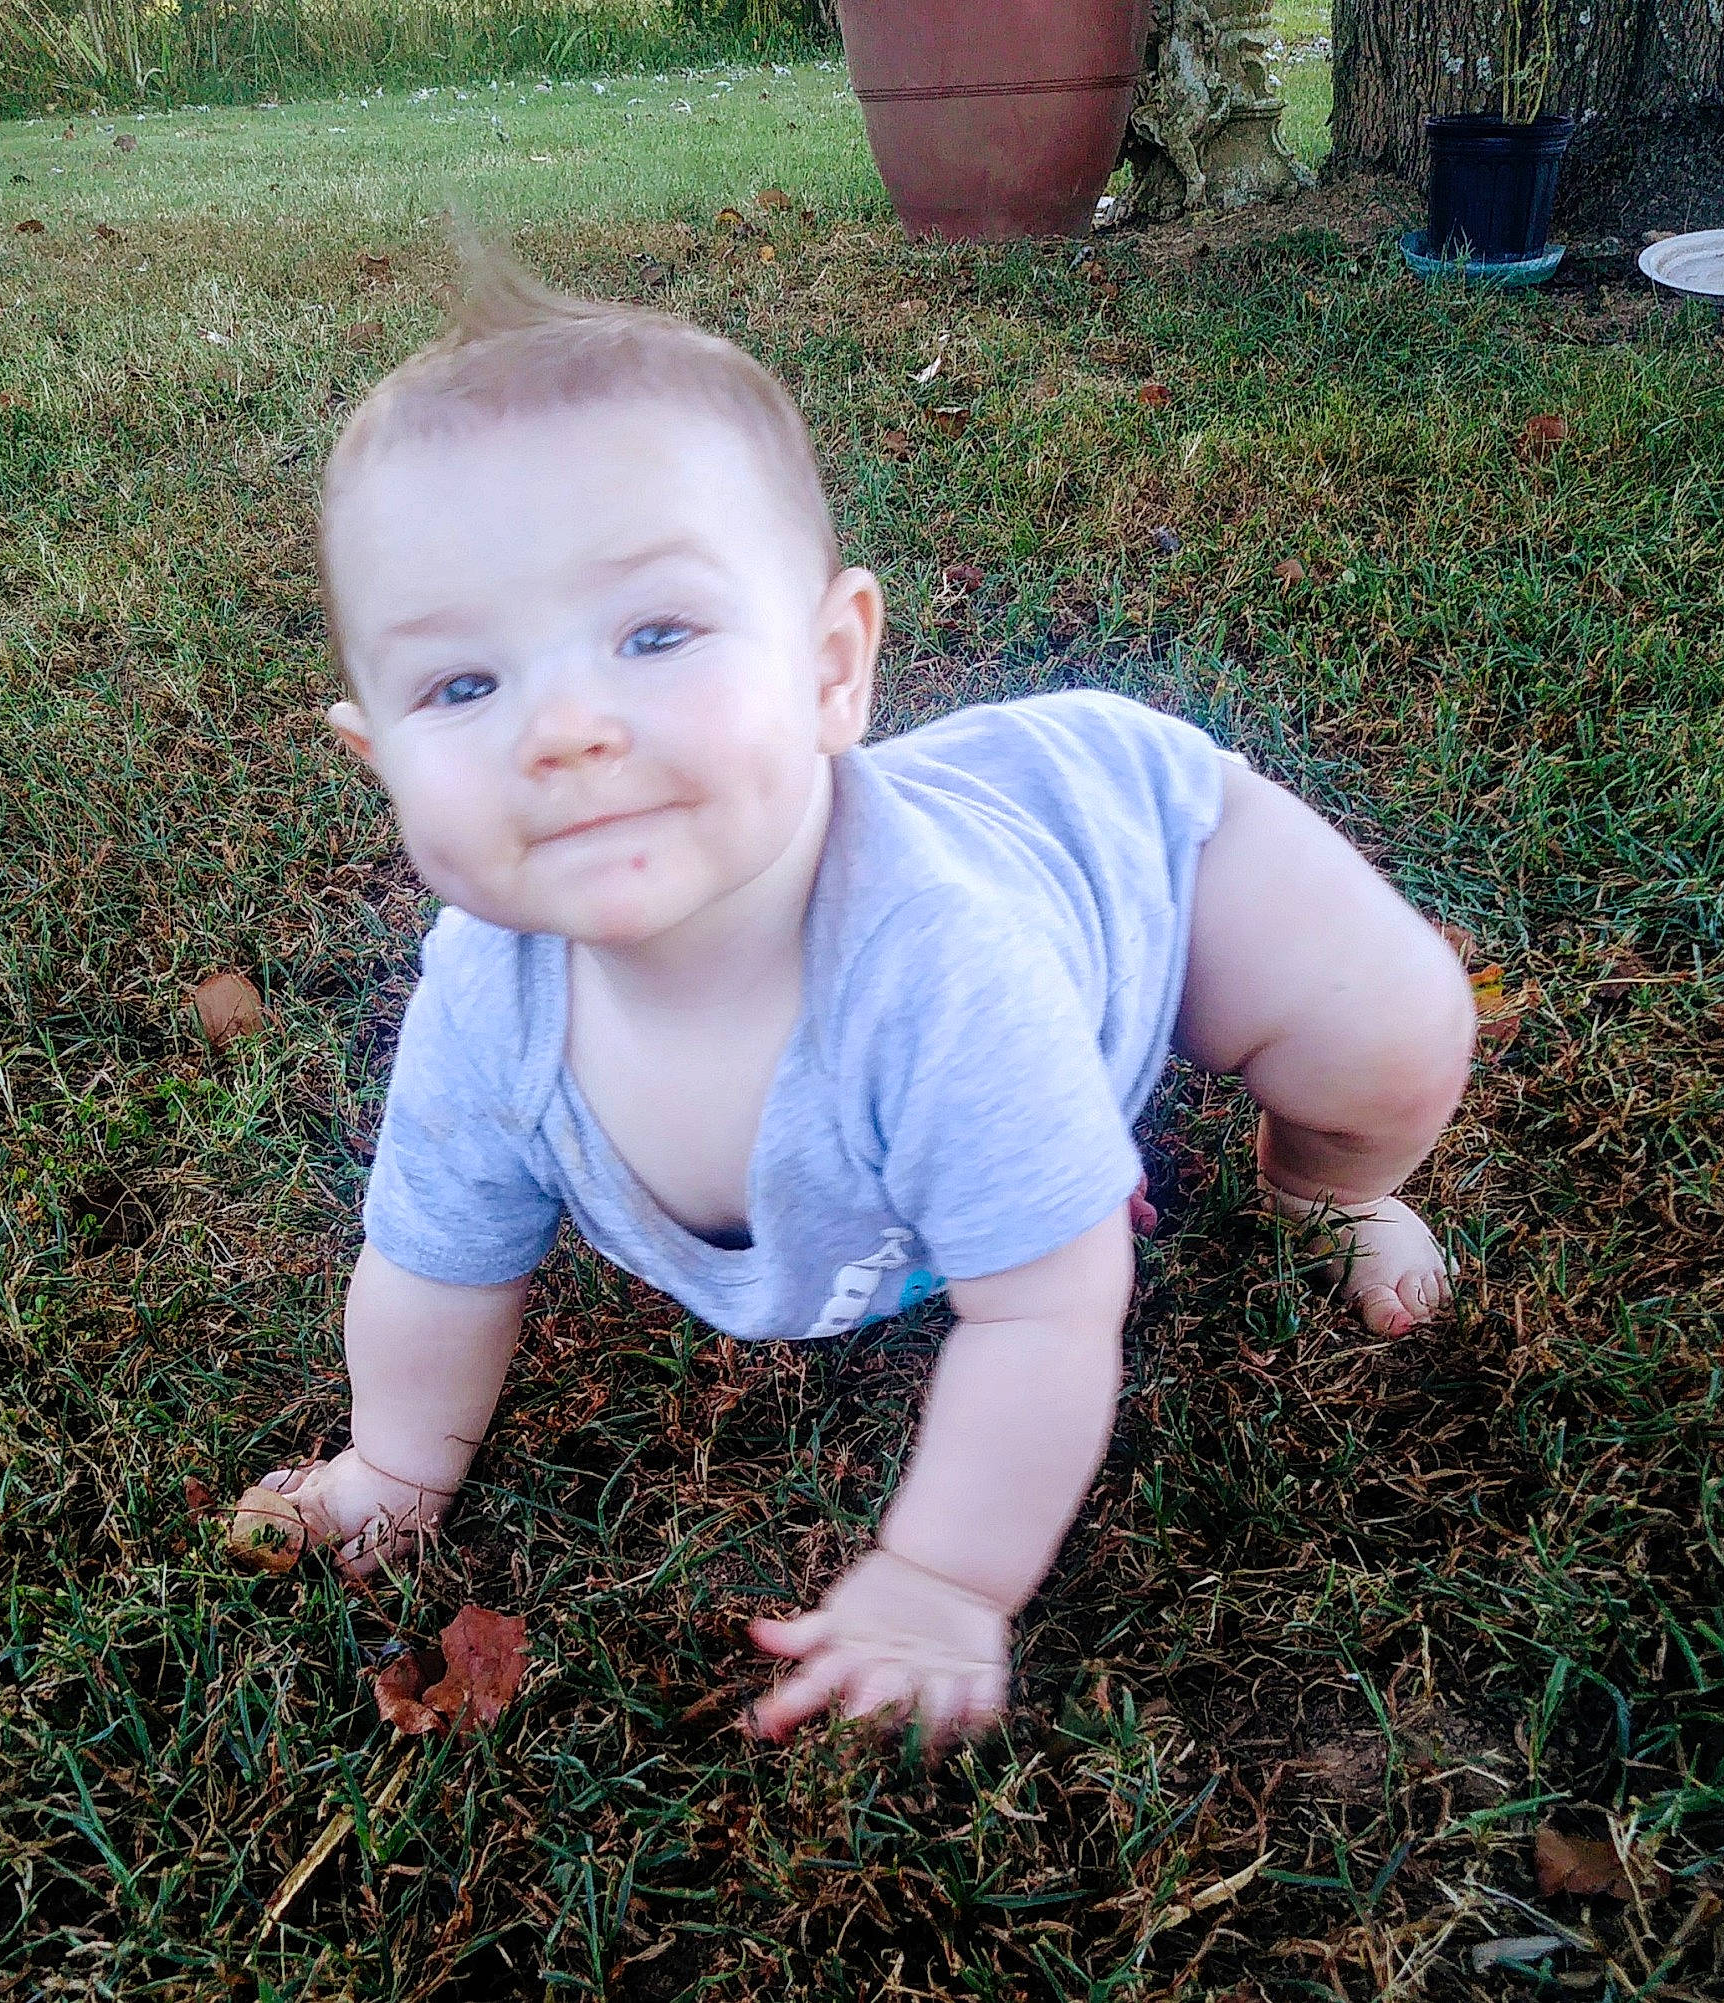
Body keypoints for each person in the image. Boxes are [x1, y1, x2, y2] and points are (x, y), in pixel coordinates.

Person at [249, 243, 1475, 1748]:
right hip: (991, 1017)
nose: (565, 727)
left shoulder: (936, 970)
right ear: (377, 763)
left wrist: (945, 1578)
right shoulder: (484, 1004)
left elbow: (1044, 1316)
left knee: (1396, 1031)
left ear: (834, 669)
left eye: (654, 635)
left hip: (1148, 849)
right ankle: (1029, 1164)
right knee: (1012, 1176)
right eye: (461, 688)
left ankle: (1327, 1191)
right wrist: (395, 1471)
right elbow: (436, 1260)